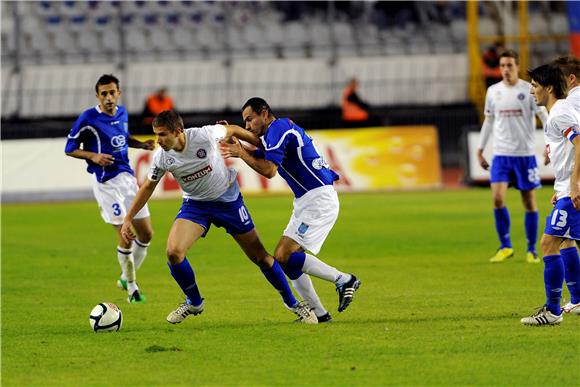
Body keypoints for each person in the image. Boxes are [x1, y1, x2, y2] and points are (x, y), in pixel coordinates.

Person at [120, 110, 317, 324]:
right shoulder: (162, 157)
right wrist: (128, 218)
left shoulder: (204, 135)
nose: (158, 140)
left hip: (229, 202)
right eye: (156, 135)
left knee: (260, 256)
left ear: (178, 132)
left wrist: (260, 145)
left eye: (162, 134)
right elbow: (148, 186)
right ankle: (194, 302)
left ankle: (294, 304)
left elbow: (232, 129)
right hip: (196, 206)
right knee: (174, 253)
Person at [219, 97, 361, 323]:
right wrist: (239, 145)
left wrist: (240, 151)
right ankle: (319, 314)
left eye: (250, 119)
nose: (247, 125)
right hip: (307, 200)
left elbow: (269, 170)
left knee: (284, 256)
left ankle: (344, 279)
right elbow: (261, 153)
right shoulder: (276, 132)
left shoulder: (280, 128)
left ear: (264, 113)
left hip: (318, 199)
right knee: (285, 258)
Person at [65, 74, 155, 304]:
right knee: (126, 236)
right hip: (106, 184)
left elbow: (123, 137)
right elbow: (70, 148)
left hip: (127, 178)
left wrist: (140, 144)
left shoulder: (122, 113)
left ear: (118, 93)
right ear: (97, 96)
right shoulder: (88, 118)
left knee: (146, 234)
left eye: (112, 92)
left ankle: (126, 277)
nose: (108, 97)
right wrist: (92, 155)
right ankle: (132, 289)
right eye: (103, 93)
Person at [521, 64, 580, 325]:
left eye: (535, 85)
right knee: (566, 241)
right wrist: (562, 186)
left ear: (549, 88)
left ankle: (553, 311)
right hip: (566, 189)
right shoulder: (558, 113)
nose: (531, 90)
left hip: (574, 190)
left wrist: (574, 185)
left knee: (548, 243)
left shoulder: (559, 115)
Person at [477, 49, 549, 264]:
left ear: (517, 66)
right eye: (502, 66)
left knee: (528, 201)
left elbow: (544, 117)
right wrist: (480, 149)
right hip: (501, 154)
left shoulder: (528, 89)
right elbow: (489, 121)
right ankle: (506, 246)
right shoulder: (493, 92)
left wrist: (549, 144)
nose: (506, 70)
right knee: (497, 198)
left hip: (524, 154)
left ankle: (531, 249)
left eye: (509, 65)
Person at [550, 54, 580, 315]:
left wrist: (571, 184)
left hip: (576, 183)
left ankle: (554, 310)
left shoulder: (568, 104)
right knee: (570, 237)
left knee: (555, 240)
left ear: (570, 79)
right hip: (569, 181)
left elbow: (578, 143)